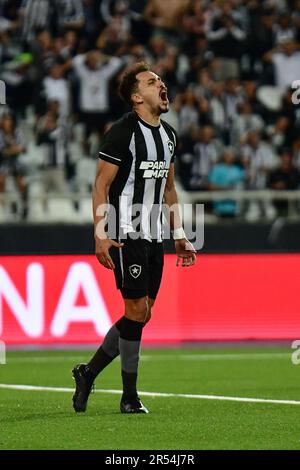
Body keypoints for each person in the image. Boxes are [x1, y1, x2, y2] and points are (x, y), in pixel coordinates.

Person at [72, 61, 197, 414]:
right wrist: (100, 234)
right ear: (136, 96)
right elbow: (101, 185)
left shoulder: (169, 135)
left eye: (160, 79)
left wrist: (180, 235)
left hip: (154, 234)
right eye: (151, 80)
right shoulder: (122, 132)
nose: (161, 84)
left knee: (143, 314)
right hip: (125, 232)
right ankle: (129, 396)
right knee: (137, 310)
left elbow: (169, 188)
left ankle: (88, 372)